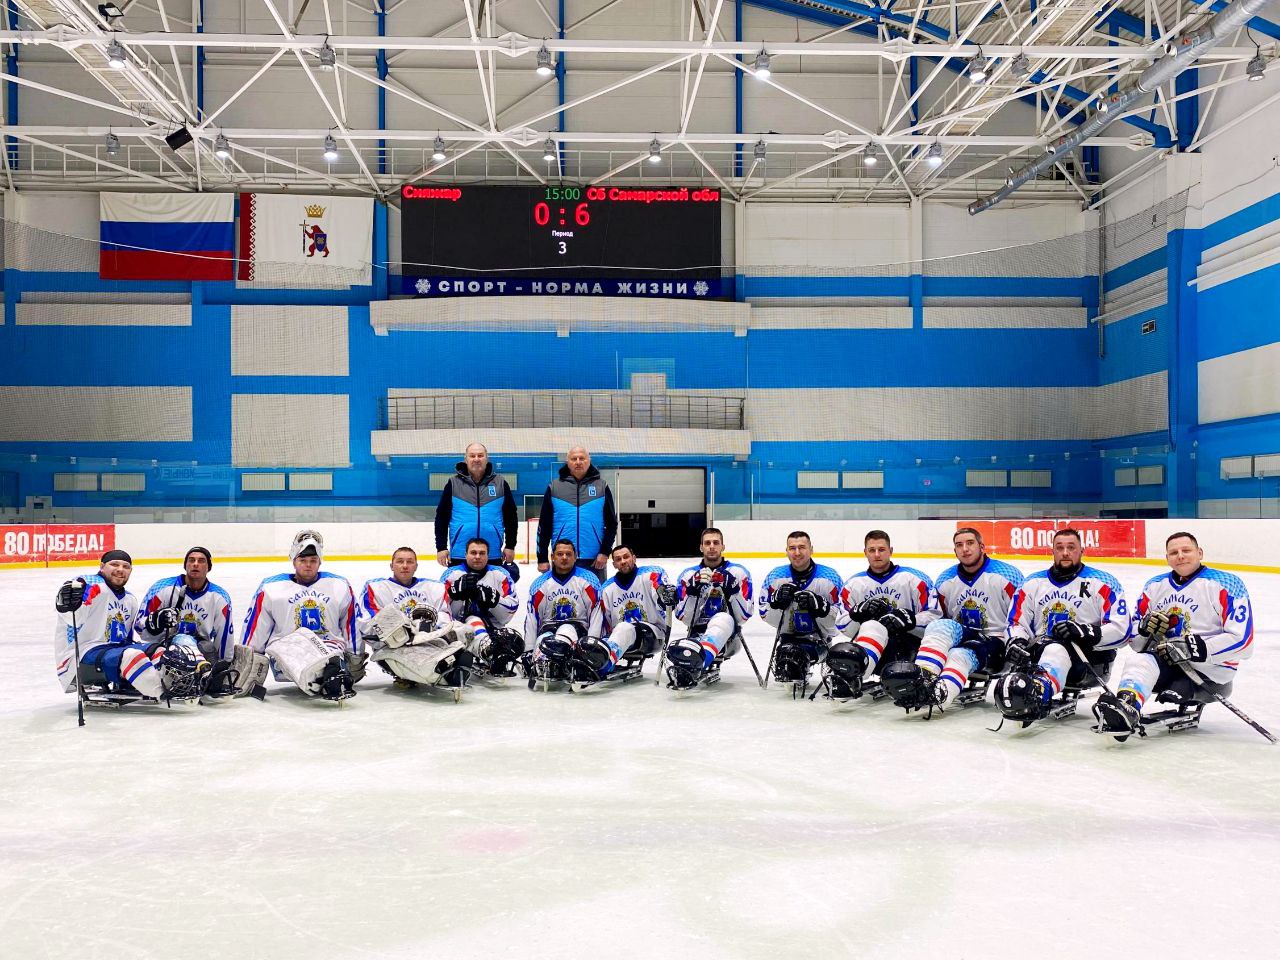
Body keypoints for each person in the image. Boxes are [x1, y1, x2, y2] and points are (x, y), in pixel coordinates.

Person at [1093, 531, 1254, 739]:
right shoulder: (1155, 586)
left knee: (1169, 672)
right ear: (1167, 558)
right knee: (1138, 660)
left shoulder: (1227, 583)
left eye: (1186, 550)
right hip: (1168, 663)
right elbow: (1136, 643)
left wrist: (1197, 648)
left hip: (1210, 671)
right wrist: (1145, 630)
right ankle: (1127, 707)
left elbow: (1244, 642)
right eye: (1174, 552)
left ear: (1200, 553)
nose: (1180, 556)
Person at [994, 528, 1132, 725]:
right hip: (1040, 656)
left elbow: (1122, 630)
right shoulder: (1032, 583)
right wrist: (1017, 642)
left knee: (1056, 649)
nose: (1065, 552)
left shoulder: (1103, 583)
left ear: (1082, 550)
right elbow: (1016, 623)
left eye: (1071, 547)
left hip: (1088, 662)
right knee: (1046, 649)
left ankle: (1039, 692)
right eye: (1060, 548)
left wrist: (1086, 631)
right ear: (1052, 551)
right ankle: (1038, 685)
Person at [879, 527, 1024, 713]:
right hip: (964, 636)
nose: (965, 549)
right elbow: (939, 616)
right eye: (959, 545)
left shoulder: (1007, 575)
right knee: (940, 626)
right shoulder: (945, 580)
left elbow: (1018, 620)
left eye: (970, 543)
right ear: (955, 550)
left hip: (996, 643)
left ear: (982, 546)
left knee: (959, 654)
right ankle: (922, 679)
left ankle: (939, 693)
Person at [53, 549, 207, 703]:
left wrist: (156, 621)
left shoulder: (130, 600)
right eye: (114, 564)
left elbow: (126, 639)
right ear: (102, 566)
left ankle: (175, 685)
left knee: (159, 650)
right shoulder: (92, 585)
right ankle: (163, 693)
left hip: (113, 651)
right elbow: (72, 614)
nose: (120, 569)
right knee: (131, 655)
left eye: (125, 566)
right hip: (81, 654)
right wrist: (69, 603)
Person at [242, 529, 362, 701]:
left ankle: (329, 673)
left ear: (320, 562)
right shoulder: (271, 587)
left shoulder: (339, 585)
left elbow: (351, 623)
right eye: (303, 560)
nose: (308, 565)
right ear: (293, 561)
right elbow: (256, 627)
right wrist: (249, 659)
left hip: (331, 649)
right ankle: (329, 674)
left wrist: (355, 655)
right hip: (287, 651)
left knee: (331, 660)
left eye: (313, 560)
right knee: (325, 666)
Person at [830, 530, 939, 699]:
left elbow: (936, 617)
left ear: (891, 551)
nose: (877, 554)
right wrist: (857, 614)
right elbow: (843, 627)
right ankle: (856, 675)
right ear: (865, 552)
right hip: (874, 652)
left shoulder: (914, 579)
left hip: (908, 650)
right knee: (870, 626)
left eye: (881, 549)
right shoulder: (853, 585)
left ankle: (859, 674)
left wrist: (909, 620)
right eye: (872, 550)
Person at [135, 546, 240, 698]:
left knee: (207, 647)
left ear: (208, 567)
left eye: (201, 561)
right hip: (164, 648)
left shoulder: (219, 596)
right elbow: (139, 626)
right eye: (191, 560)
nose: (195, 564)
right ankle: (201, 671)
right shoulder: (162, 588)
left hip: (202, 648)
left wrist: (224, 665)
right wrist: (156, 621)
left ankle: (206, 674)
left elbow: (224, 635)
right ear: (185, 565)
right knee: (182, 639)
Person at [667, 527, 754, 689]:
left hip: (729, 639)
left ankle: (697, 665)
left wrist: (734, 591)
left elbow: (744, 617)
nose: (712, 546)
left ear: (723, 546)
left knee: (722, 618)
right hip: (696, 635)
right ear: (701, 547)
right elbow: (686, 619)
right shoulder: (688, 575)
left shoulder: (738, 572)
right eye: (707, 543)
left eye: (716, 543)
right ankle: (693, 662)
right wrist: (692, 593)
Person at [758, 531, 844, 693]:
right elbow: (764, 612)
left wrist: (820, 606)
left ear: (811, 549)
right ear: (786, 551)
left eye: (802, 547)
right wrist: (776, 602)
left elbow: (842, 619)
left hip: (819, 642)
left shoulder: (829, 577)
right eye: (792, 548)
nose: (797, 552)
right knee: (788, 659)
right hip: (787, 640)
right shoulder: (775, 576)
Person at [524, 539, 604, 687]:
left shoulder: (588, 579)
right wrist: (529, 649)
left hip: (577, 629)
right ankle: (545, 663)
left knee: (566, 629)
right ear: (552, 557)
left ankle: (565, 662)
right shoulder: (540, 584)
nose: (564, 557)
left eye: (568, 554)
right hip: (548, 629)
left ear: (575, 557)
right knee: (543, 639)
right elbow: (532, 617)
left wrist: (591, 647)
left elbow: (596, 614)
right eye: (560, 554)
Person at [441, 537, 523, 678]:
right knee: (473, 619)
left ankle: (487, 649)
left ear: (488, 555)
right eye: (473, 553)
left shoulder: (501, 574)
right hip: (459, 630)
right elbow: (441, 611)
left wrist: (493, 600)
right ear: (465, 554)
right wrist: (455, 595)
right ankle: (487, 651)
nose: (477, 557)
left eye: (482, 553)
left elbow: (510, 611)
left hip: (493, 629)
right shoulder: (451, 574)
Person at [597, 543, 676, 680]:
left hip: (653, 634)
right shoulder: (607, 588)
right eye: (618, 559)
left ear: (634, 558)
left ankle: (602, 666)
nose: (623, 561)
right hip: (622, 637)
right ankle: (598, 661)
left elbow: (666, 602)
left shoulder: (651, 574)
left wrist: (666, 596)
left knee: (625, 627)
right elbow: (605, 624)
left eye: (626, 557)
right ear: (614, 564)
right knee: (615, 632)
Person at [434, 442, 518, 567]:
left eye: (480, 455)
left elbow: (511, 518)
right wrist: (441, 547)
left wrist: (510, 545)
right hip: (460, 554)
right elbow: (441, 518)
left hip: (492, 554)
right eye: (472, 456)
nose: (476, 459)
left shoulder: (500, 484)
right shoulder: (453, 484)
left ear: (486, 458)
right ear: (466, 459)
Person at [535, 446, 617, 574]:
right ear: (567, 462)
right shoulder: (554, 487)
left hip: (594, 560)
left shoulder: (601, 486)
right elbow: (544, 525)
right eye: (574, 459)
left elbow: (611, 524)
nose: (578, 462)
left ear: (589, 460)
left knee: (594, 588)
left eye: (582, 458)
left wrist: (605, 552)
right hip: (562, 558)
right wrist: (542, 558)